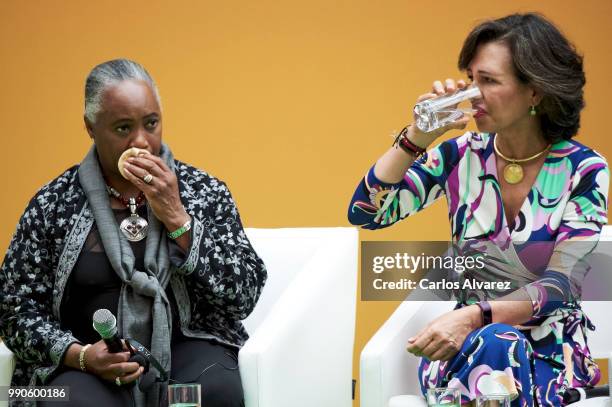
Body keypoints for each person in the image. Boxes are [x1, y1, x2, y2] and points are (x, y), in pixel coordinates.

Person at [348, 13, 608, 407]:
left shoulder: (583, 169)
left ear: (535, 91)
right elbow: (368, 212)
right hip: (466, 353)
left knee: (497, 342)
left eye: (488, 81)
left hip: (550, 356)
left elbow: (561, 285)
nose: (472, 94)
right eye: (470, 79)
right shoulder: (459, 156)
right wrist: (417, 137)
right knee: (492, 347)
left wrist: (474, 317)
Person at [0, 59, 267, 406]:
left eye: (151, 123)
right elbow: (13, 308)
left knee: (208, 394)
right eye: (123, 128)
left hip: (186, 353)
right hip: (84, 365)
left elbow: (244, 293)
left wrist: (176, 216)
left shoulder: (203, 191)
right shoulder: (53, 203)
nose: (141, 141)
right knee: (62, 402)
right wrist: (79, 355)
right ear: (91, 127)